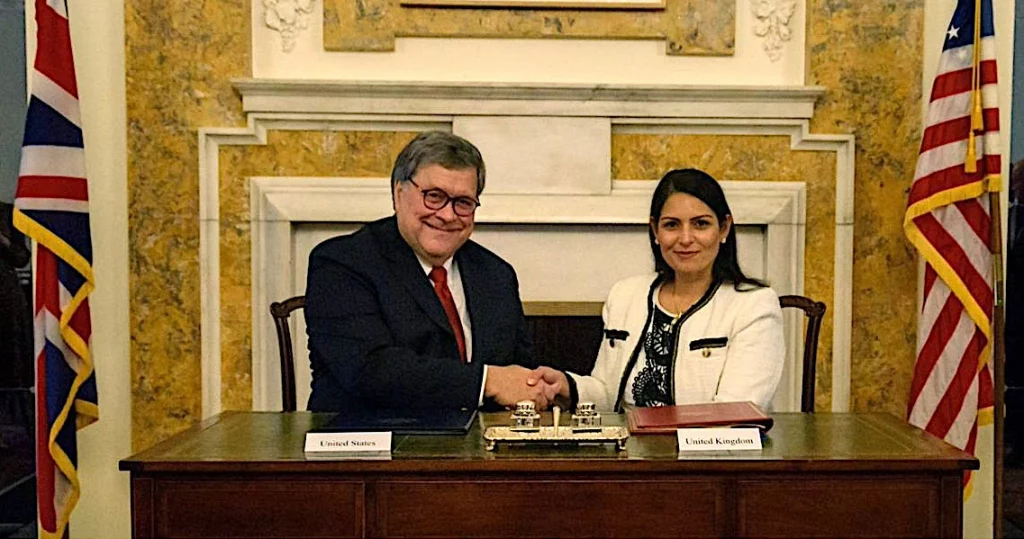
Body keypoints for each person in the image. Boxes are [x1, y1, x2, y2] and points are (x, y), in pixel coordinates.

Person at [305, 131, 559, 412]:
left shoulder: (496, 275)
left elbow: (518, 373)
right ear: (398, 192)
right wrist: (486, 382)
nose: (448, 215)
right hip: (373, 447)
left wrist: (544, 387)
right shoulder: (342, 263)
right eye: (434, 196)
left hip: (478, 449)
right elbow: (369, 371)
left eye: (463, 202)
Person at [530, 169, 785, 411]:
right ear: (655, 231)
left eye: (700, 224)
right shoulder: (625, 295)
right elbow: (610, 396)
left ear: (724, 228)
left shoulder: (754, 305)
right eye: (672, 225)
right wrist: (568, 387)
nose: (685, 238)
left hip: (715, 454)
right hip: (630, 452)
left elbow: (737, 411)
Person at [0, 201, 32, 389]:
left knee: (11, 359)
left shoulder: (8, 212)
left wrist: (3, 241)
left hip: (5, 298)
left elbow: (22, 258)